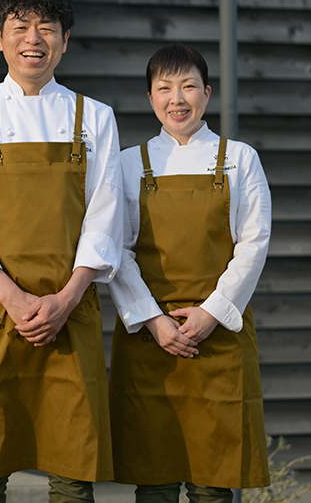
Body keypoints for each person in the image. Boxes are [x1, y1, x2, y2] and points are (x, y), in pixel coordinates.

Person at [0, 0, 123, 503]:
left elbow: (106, 216)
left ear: (66, 40)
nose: (33, 38)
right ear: (0, 38)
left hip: (72, 309)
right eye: (20, 26)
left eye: (47, 27)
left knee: (73, 473)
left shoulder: (96, 118)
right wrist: (13, 297)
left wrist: (66, 297)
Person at [107, 44, 271, 503]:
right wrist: (155, 320)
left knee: (213, 484)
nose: (177, 98)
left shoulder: (240, 159)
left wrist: (211, 314)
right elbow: (115, 251)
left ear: (207, 93)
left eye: (188, 86)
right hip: (149, 342)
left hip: (217, 339)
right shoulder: (126, 164)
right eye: (165, 88)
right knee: (153, 484)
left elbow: (253, 244)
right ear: (150, 97)